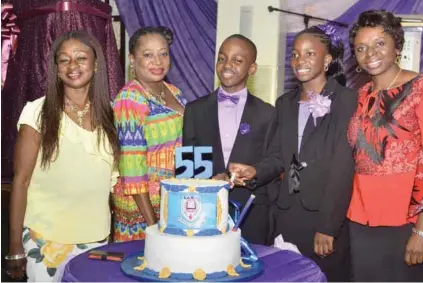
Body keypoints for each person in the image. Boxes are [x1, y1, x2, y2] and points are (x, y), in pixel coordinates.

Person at [229, 25, 357, 281]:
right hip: (286, 214)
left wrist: (328, 227)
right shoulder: (284, 104)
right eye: (296, 54)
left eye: (310, 54)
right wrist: (254, 171)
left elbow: (343, 168)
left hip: (324, 216)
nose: (300, 60)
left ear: (328, 59)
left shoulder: (347, 100)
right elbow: (278, 157)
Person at [346, 10, 423, 281]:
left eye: (379, 43)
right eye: (361, 47)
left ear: (397, 45)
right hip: (361, 218)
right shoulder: (359, 96)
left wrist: (422, 230)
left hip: (408, 220)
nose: (370, 53)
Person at [5, 31, 119, 282]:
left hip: (95, 240)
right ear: (56, 68)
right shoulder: (37, 112)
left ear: (96, 64)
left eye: (81, 58)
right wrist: (14, 248)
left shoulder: (109, 114)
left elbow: (110, 183)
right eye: (64, 60)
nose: (73, 66)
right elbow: (20, 182)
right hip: (45, 241)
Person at [182, 34, 277, 245]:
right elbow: (189, 166)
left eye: (237, 60)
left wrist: (255, 172)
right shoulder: (195, 110)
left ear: (252, 69)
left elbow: (276, 159)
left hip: (251, 211)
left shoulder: (267, 113)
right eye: (222, 58)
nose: (227, 65)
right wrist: (206, 183)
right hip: (204, 208)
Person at [112, 26, 186, 242]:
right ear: (132, 60)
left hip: (174, 200)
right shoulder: (130, 99)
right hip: (143, 208)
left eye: (163, 53)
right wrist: (153, 226)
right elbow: (132, 169)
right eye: (148, 55)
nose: (158, 61)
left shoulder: (174, 92)